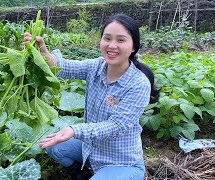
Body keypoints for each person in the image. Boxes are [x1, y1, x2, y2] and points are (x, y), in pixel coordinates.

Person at [23, 13, 160, 180]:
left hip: (121, 162)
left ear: (133, 47)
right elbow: (64, 67)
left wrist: (74, 130)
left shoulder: (138, 84)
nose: (112, 45)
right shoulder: (96, 67)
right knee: (53, 146)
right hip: (93, 148)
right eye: (107, 38)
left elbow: (116, 126)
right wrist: (41, 54)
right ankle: (81, 175)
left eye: (121, 40)